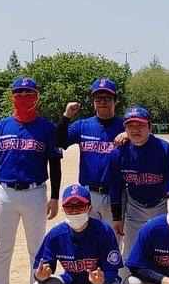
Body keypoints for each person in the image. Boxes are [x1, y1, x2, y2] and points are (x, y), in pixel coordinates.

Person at [0, 77, 63, 284]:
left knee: (36, 248)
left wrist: (55, 197)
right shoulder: (1, 127)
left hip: (35, 192)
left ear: (37, 96)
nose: (23, 96)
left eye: (28, 92)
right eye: (19, 92)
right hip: (5, 192)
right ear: (12, 96)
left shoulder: (47, 127)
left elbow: (55, 164)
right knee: (2, 247)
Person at [27, 184, 125, 284]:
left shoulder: (103, 230)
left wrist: (103, 279)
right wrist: (40, 276)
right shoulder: (55, 234)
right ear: (63, 209)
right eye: (69, 207)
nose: (74, 211)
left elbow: (112, 269)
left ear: (90, 208)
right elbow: (43, 268)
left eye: (80, 206)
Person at [107, 106, 169, 265]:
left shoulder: (163, 149)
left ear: (150, 127)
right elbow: (115, 186)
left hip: (162, 205)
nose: (135, 129)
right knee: (129, 254)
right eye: (130, 126)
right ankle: (129, 281)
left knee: (165, 251)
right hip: (134, 207)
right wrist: (117, 218)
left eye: (140, 125)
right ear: (125, 129)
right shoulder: (118, 153)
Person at [53, 78, 125, 222]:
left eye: (107, 97)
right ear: (93, 101)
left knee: (114, 236)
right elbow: (59, 142)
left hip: (116, 194)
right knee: (88, 235)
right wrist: (66, 116)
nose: (102, 101)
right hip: (88, 194)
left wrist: (130, 133)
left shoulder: (124, 126)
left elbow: (146, 141)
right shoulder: (82, 125)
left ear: (115, 101)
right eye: (98, 98)